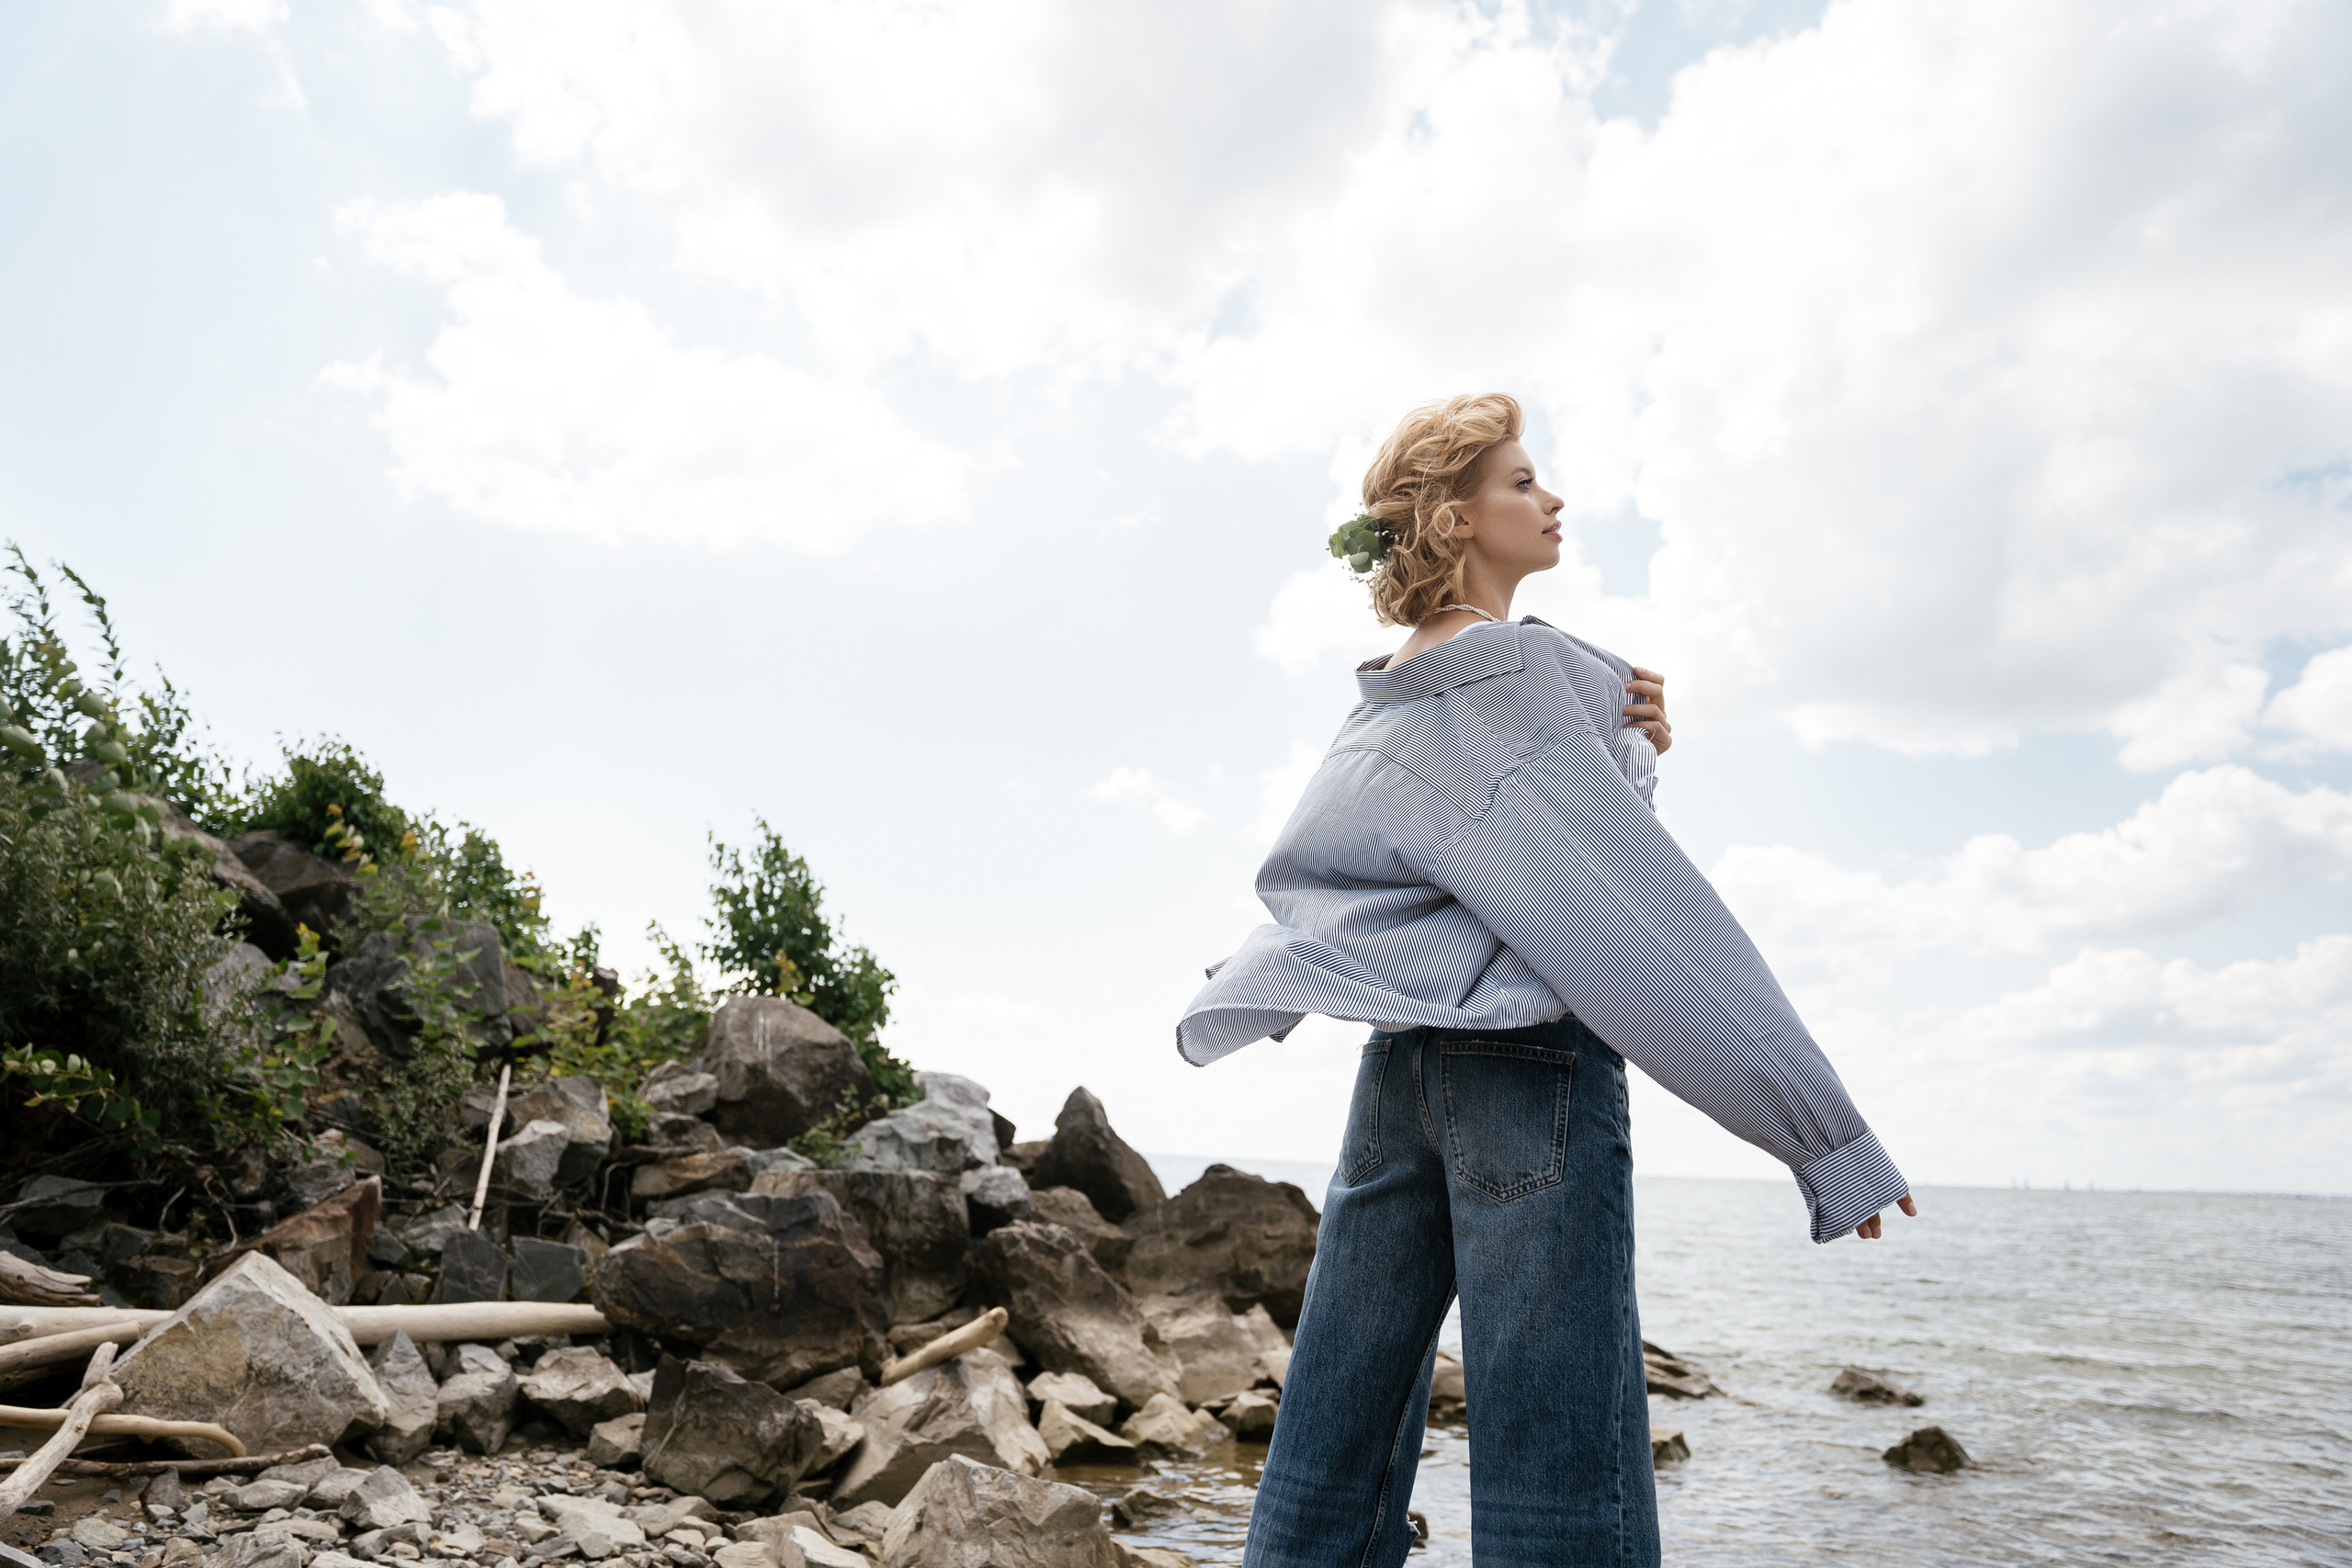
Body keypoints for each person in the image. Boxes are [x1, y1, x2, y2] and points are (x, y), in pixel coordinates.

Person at [1177, 393, 1917, 1568]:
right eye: (1523, 481)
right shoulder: (1522, 671)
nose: (1552, 498)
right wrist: (1824, 1137)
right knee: (1555, 1460)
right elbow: (1635, 925)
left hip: (1399, 1071)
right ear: (1455, 518)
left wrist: (1626, 748)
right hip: (1531, 1073)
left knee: (1333, 1432)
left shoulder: (1383, 697)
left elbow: (1451, 868)